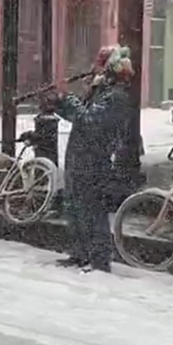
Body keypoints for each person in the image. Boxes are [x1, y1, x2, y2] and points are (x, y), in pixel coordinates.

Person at [48, 45, 132, 273]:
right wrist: (58, 103)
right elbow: (78, 117)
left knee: (92, 209)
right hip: (80, 156)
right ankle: (79, 253)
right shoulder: (101, 92)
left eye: (99, 65)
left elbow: (90, 121)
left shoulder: (117, 97)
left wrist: (70, 99)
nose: (94, 70)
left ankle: (99, 260)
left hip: (95, 160)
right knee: (74, 206)